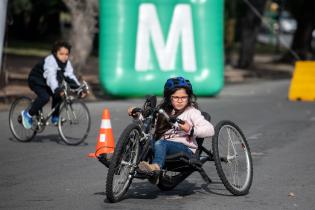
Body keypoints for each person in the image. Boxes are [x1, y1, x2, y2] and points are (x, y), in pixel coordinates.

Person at [129, 76, 214, 178]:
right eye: (176, 97)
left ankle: (156, 167)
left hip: (184, 150)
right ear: (170, 97)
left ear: (189, 97)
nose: (180, 101)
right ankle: (119, 158)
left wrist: (191, 130)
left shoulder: (192, 112)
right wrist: (137, 116)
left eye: (183, 97)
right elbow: (148, 123)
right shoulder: (164, 112)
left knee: (161, 143)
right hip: (161, 147)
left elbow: (210, 130)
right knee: (143, 138)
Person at [21, 41, 86, 129]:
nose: (64, 56)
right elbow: (51, 77)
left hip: (47, 83)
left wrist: (79, 89)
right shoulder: (50, 61)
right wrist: (57, 89)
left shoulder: (67, 63)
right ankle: (27, 114)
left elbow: (70, 76)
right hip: (36, 81)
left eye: (67, 54)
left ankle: (55, 117)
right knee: (45, 97)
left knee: (59, 95)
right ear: (55, 53)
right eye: (61, 54)